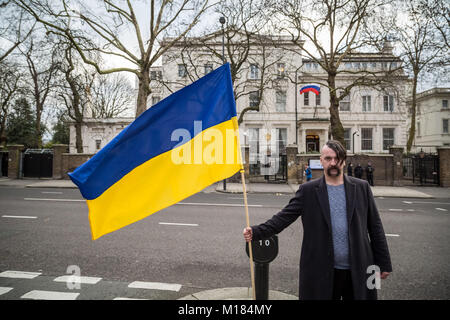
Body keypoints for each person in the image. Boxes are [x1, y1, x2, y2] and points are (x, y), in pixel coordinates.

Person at [243, 140, 392, 300]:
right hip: (321, 269)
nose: (333, 163)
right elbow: (283, 218)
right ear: (321, 160)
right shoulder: (308, 191)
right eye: (328, 159)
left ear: (344, 160)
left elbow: (375, 227)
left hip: (360, 267)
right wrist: (257, 231)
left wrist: (383, 262)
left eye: (337, 158)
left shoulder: (361, 187)